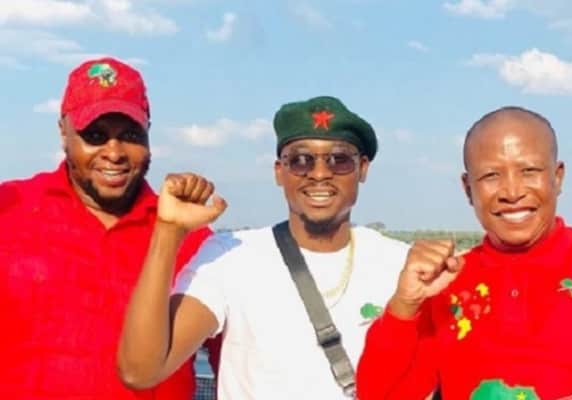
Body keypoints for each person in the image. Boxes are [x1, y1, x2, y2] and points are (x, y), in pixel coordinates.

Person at [117, 96, 411, 399]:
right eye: (300, 160)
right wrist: (169, 231)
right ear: (279, 172)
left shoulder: (401, 266)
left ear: (362, 169)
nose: (320, 173)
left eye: (339, 160)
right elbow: (140, 371)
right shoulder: (230, 257)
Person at [356, 106, 572, 400]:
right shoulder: (446, 283)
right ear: (467, 189)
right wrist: (404, 305)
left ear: (558, 177)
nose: (512, 192)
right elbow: (380, 395)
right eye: (491, 175)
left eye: (529, 171)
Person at [0, 57, 213, 399]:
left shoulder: (194, 238)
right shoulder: (9, 210)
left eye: (130, 135)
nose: (114, 153)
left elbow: (246, 361)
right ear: (63, 132)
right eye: (95, 136)